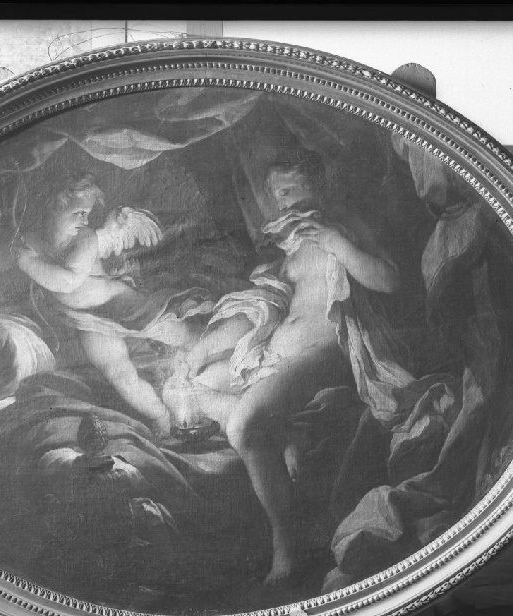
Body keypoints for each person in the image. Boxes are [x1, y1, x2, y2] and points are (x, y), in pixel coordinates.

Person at [168, 150, 401, 584]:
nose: (281, 202)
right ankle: (284, 431)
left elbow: (389, 280)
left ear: (318, 187)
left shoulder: (344, 228)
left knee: (244, 426)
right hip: (274, 356)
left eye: (290, 190)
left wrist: (336, 242)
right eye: (276, 194)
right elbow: (264, 308)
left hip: (322, 355)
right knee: (187, 387)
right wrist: (204, 348)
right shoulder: (289, 248)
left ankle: (285, 542)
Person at [13, 174, 212, 438]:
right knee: (117, 372)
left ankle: (209, 350)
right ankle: (159, 416)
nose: (85, 221)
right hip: (86, 320)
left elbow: (67, 282)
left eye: (88, 214)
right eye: (79, 213)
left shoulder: (85, 238)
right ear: (52, 207)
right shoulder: (30, 241)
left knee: (171, 332)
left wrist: (27, 262)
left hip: (119, 304)